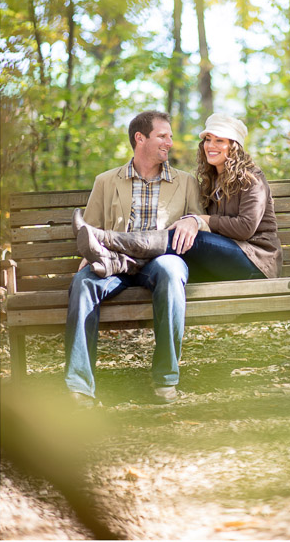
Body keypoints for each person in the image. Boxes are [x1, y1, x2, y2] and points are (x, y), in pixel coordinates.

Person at [65, 111, 206, 406]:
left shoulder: (185, 182)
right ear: (140, 138)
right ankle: (79, 387)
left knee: (171, 271)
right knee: (83, 283)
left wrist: (194, 221)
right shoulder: (106, 181)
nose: (170, 142)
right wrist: (85, 260)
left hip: (161, 258)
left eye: (170, 136)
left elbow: (200, 219)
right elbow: (89, 231)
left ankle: (166, 379)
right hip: (114, 262)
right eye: (162, 136)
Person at [74, 113, 282, 284]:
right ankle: (117, 262)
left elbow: (245, 227)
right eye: (208, 139)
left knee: (184, 236)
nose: (211, 145)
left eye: (220, 140)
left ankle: (105, 240)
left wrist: (199, 220)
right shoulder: (211, 180)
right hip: (218, 263)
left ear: (234, 146)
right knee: (178, 253)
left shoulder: (251, 178)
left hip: (255, 262)